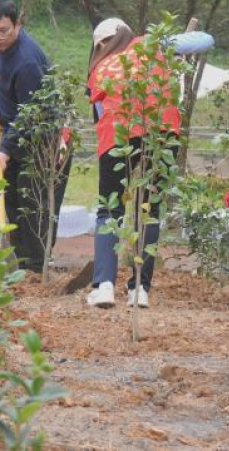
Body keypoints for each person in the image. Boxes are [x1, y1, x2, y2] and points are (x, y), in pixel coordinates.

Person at [85, 18, 214, 308]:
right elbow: (206, 40)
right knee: (149, 209)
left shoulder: (99, 68)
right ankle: (140, 290)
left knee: (110, 209)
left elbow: (100, 114)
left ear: (103, 43)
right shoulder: (151, 45)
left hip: (118, 135)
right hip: (161, 132)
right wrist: (171, 46)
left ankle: (104, 286)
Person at [0, 0, 58, 273]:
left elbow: (31, 113)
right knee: (10, 197)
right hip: (11, 129)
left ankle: (36, 268)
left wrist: (5, 148)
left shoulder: (27, 61)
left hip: (38, 135)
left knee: (31, 201)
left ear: (17, 25)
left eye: (3, 30)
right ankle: (19, 264)